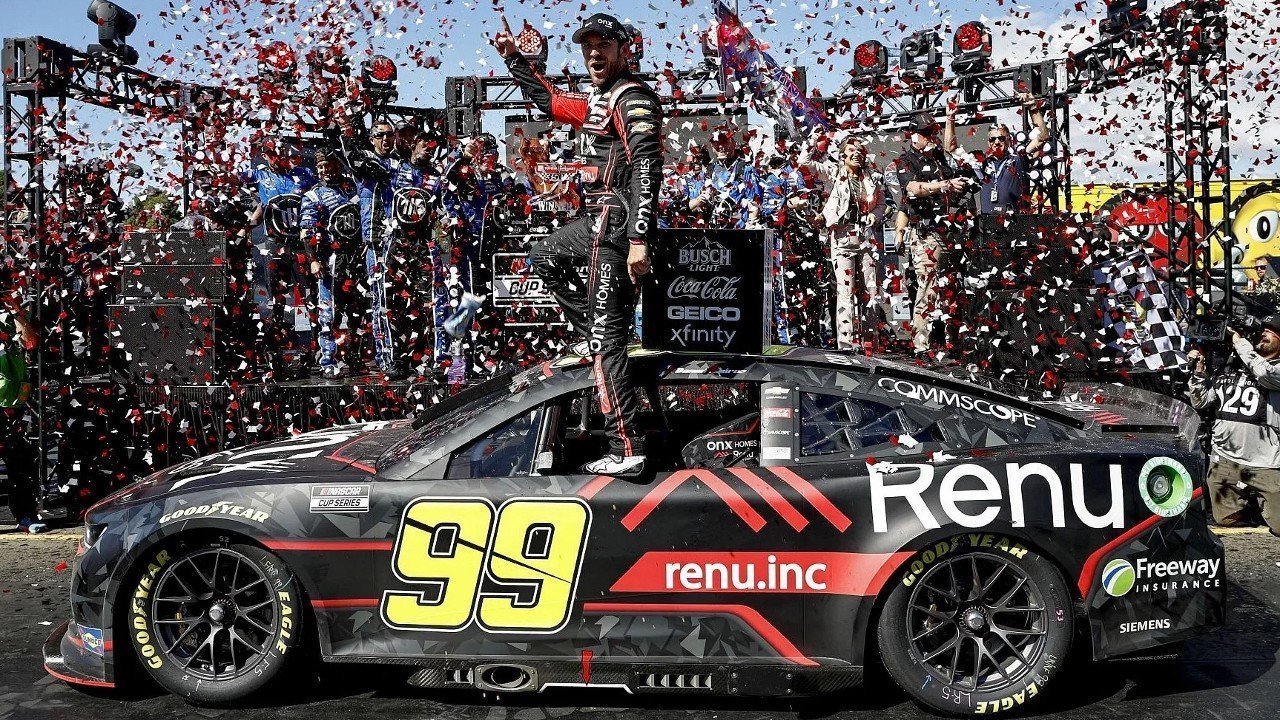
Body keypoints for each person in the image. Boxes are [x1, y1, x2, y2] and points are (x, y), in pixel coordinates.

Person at [493, 11, 660, 476]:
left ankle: (627, 448)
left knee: (609, 344)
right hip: (595, 222)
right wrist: (515, 60)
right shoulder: (597, 100)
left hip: (617, 225)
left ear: (624, 49)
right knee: (542, 255)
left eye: (604, 44)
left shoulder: (632, 97)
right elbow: (548, 102)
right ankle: (594, 331)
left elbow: (648, 168)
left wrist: (639, 238)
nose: (594, 53)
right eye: (588, 45)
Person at [1187, 320, 1280, 537]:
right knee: (1226, 519)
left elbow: (1263, 374)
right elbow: (1202, 402)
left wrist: (1239, 342)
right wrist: (1199, 373)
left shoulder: (1273, 370)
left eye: (1271, 332)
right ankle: (1252, 508)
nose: (1263, 334)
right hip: (1225, 458)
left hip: (1266, 462)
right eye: (1262, 331)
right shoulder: (1230, 367)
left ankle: (1263, 506)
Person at [339, 117, 412, 379]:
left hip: (402, 242)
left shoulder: (402, 165)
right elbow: (350, 154)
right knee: (381, 299)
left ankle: (403, 353)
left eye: (389, 135)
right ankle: (385, 357)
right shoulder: (363, 160)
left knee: (402, 301)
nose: (385, 139)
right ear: (371, 139)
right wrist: (348, 124)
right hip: (376, 240)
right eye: (380, 135)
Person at [801, 133, 886, 351]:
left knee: (871, 290)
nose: (856, 154)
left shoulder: (872, 177)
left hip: (866, 236)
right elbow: (805, 163)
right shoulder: (833, 173)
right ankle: (846, 343)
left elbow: (882, 204)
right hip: (842, 236)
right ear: (842, 155)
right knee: (845, 291)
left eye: (860, 150)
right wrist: (815, 141)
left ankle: (870, 342)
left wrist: (874, 215)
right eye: (851, 150)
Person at [895, 112, 968, 355]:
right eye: (926, 133)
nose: (930, 137)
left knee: (952, 286)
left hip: (950, 231)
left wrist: (949, 121)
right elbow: (912, 189)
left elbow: (950, 149)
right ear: (914, 135)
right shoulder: (906, 160)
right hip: (926, 232)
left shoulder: (939, 157)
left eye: (933, 132)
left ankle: (952, 341)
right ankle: (921, 345)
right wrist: (944, 185)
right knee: (927, 286)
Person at [300, 148, 358, 379]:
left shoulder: (352, 188)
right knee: (328, 312)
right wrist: (313, 260)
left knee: (357, 310)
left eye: (328, 165)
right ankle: (328, 361)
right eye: (320, 167)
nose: (325, 170)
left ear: (337, 165)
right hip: (328, 259)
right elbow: (307, 231)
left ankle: (354, 357)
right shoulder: (313, 195)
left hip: (355, 258)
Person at [944, 92, 1049, 215]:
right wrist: (950, 117)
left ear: (1009, 140)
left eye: (1001, 138)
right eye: (993, 139)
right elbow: (950, 148)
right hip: (988, 221)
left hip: (1016, 221)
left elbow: (1042, 136)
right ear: (988, 142)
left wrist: (1033, 107)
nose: (997, 142)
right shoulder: (981, 163)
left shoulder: (1018, 159)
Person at [0, 294, 44, 533]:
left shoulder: (8, 322)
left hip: (12, 406)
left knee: (20, 463)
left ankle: (25, 516)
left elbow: (30, 341)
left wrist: (16, 311)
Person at [686, 130, 762, 229]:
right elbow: (694, 205)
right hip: (713, 229)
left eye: (724, 142)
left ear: (733, 143)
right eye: (716, 143)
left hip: (739, 229)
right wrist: (700, 199)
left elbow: (755, 203)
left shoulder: (745, 168)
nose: (721, 146)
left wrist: (750, 230)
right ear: (712, 147)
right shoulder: (709, 170)